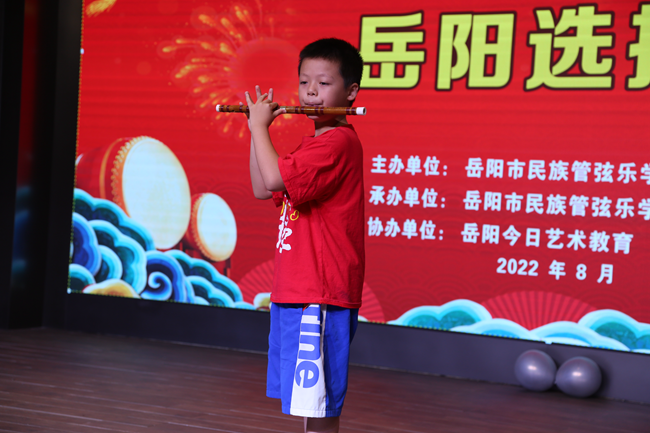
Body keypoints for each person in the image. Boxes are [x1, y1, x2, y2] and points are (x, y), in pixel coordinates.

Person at [245, 38, 365, 433]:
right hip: (298, 287)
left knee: (319, 403)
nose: (311, 92)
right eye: (304, 82)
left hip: (320, 290)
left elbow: (273, 177)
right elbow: (263, 186)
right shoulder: (313, 144)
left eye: (324, 83)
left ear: (350, 92)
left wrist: (259, 126)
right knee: (307, 400)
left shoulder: (337, 143)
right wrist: (256, 130)